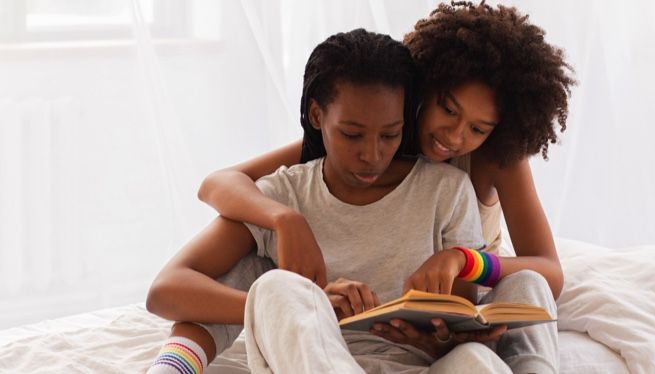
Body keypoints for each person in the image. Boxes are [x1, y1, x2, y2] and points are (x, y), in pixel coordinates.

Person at [196, 2, 574, 373]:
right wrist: (284, 219)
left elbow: (547, 272)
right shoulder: (368, 143)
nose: (455, 136)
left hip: (467, 289)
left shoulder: (492, 160)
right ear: (421, 90)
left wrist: (463, 259)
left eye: (478, 129)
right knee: (259, 268)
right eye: (447, 109)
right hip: (393, 310)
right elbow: (219, 182)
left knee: (527, 285)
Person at [146, 28, 517, 374]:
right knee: (271, 283)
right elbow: (165, 291)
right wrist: (306, 305)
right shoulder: (286, 193)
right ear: (316, 115)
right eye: (352, 135)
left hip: (419, 365)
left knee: (477, 359)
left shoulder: (447, 191)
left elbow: (455, 326)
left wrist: (432, 339)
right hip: (313, 359)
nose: (372, 155)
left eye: (390, 135)